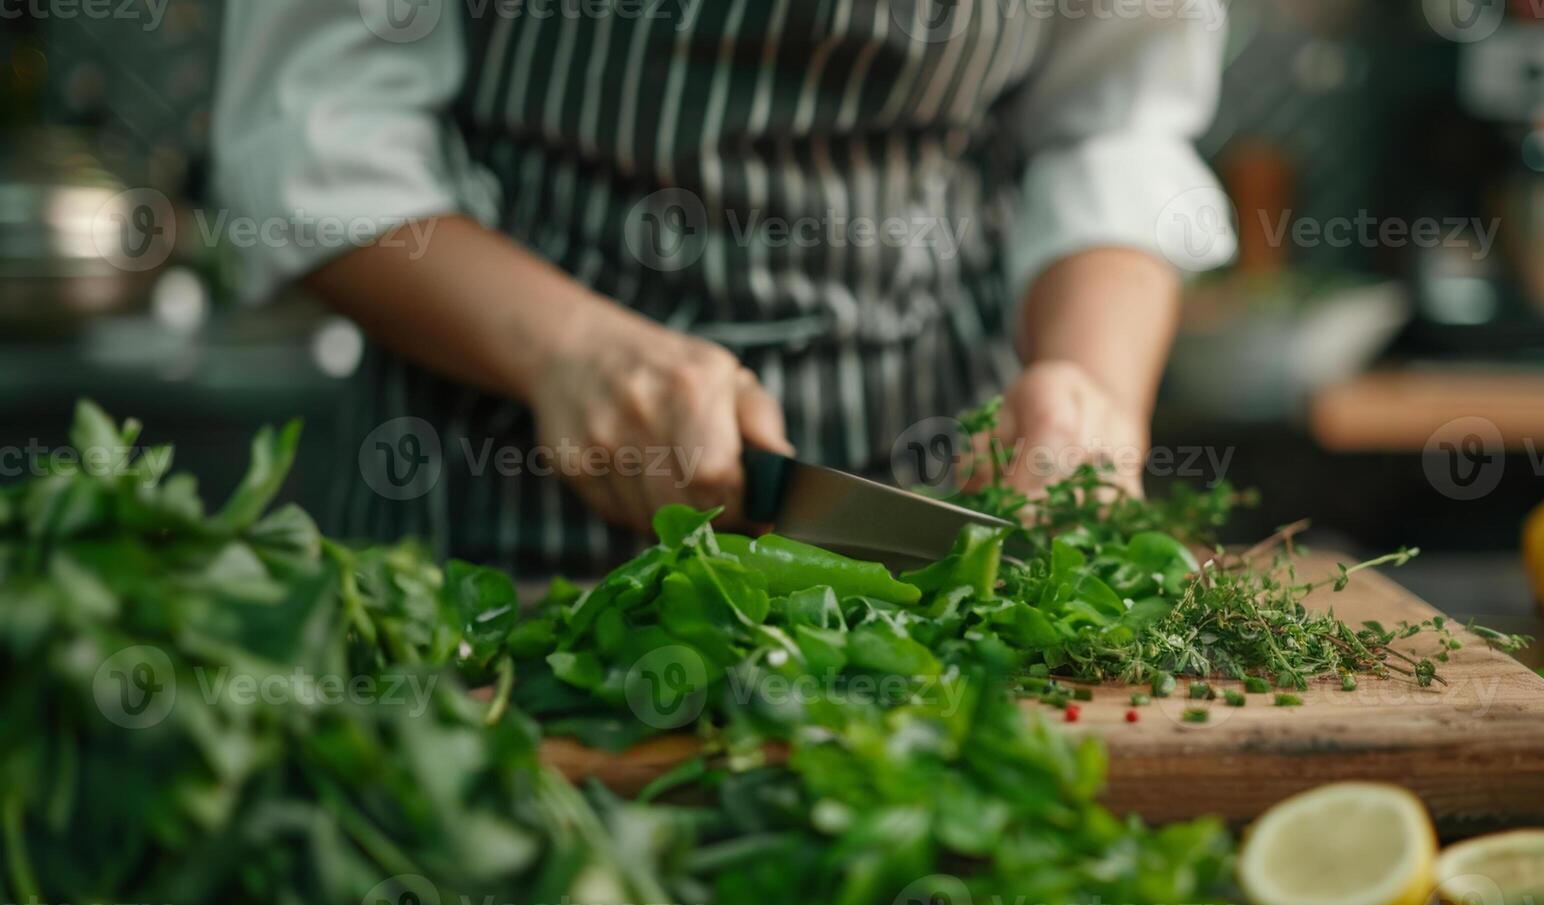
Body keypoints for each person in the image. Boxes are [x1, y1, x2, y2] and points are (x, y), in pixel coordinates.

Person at [214, 0, 1235, 573]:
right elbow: (319, 129)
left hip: (933, 505)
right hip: (494, 521)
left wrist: (1086, 387)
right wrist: (567, 348)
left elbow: (1112, 118)